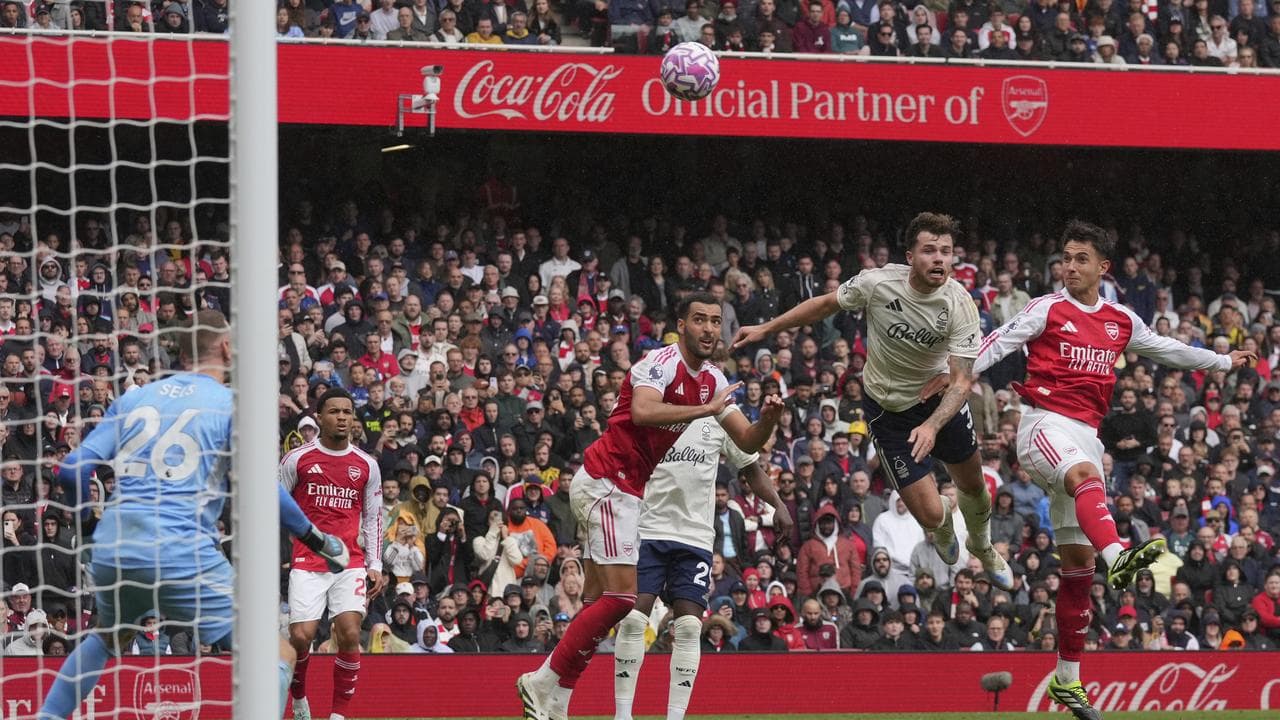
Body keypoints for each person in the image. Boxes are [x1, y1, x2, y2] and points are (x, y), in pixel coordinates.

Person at [965, 220, 1253, 720]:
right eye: (1064, 258)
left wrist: (1222, 362)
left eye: (1080, 259)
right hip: (1043, 426)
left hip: (1086, 434)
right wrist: (956, 380)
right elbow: (997, 344)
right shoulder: (1047, 308)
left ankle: (1068, 681)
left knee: (1077, 573)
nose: (1069, 267)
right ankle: (1119, 552)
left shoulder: (1120, 320)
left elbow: (1167, 349)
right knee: (1085, 477)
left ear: (1103, 267)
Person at [38, 311, 349, 719]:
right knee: (276, 652)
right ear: (225, 348)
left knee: (109, 638)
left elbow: (71, 468)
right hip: (181, 550)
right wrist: (316, 539)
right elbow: (261, 489)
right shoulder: (230, 405)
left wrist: (88, 524)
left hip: (116, 547)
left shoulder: (134, 398)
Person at [518, 293, 783, 720]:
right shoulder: (657, 364)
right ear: (682, 325)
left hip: (624, 492)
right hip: (606, 482)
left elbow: (748, 441)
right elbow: (641, 411)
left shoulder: (713, 379)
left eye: (716, 321)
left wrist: (769, 417)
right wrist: (706, 410)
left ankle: (558, 701)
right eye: (699, 320)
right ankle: (542, 680)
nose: (710, 329)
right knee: (622, 600)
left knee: (597, 603)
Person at [735, 212, 1014, 592]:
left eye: (946, 252)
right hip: (888, 412)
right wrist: (767, 328)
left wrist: (932, 425)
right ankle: (944, 523)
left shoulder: (959, 303)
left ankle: (981, 546)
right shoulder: (878, 283)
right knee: (931, 515)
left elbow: (963, 380)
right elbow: (823, 305)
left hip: (940, 405)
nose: (939, 259)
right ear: (910, 256)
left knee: (973, 485)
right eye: (929, 250)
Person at [613, 417, 792, 720]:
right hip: (648, 532)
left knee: (690, 627)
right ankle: (623, 715)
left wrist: (778, 503)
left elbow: (750, 466)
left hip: (694, 538)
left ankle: (675, 717)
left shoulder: (720, 412)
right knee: (631, 619)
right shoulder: (651, 403)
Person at [282, 388, 386, 720]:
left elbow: (373, 516)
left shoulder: (366, 465)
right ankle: (298, 695)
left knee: (351, 633)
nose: (342, 417)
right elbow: (275, 502)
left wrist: (376, 563)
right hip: (307, 560)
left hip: (349, 562)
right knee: (302, 637)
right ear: (320, 417)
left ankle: (338, 715)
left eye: (347, 412)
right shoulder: (297, 459)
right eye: (334, 411)